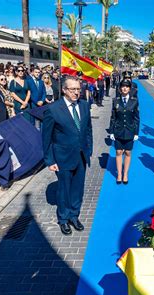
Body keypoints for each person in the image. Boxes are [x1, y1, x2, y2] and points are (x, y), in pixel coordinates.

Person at [42, 76, 93, 235]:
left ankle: (74, 216)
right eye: (73, 89)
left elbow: (88, 130)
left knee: (78, 188)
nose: (76, 92)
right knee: (64, 189)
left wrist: (89, 149)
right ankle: (63, 219)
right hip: (62, 157)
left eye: (78, 89)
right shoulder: (53, 109)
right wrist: (50, 160)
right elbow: (46, 137)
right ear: (64, 90)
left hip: (81, 156)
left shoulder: (84, 105)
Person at [108, 79, 140, 185]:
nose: (124, 88)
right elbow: (113, 117)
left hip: (130, 130)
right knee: (118, 152)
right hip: (118, 130)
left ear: (130, 89)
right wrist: (111, 131)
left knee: (127, 152)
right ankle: (119, 174)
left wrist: (136, 132)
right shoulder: (116, 101)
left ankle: (125, 173)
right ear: (120, 88)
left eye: (127, 86)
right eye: (123, 86)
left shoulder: (134, 101)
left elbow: (136, 118)